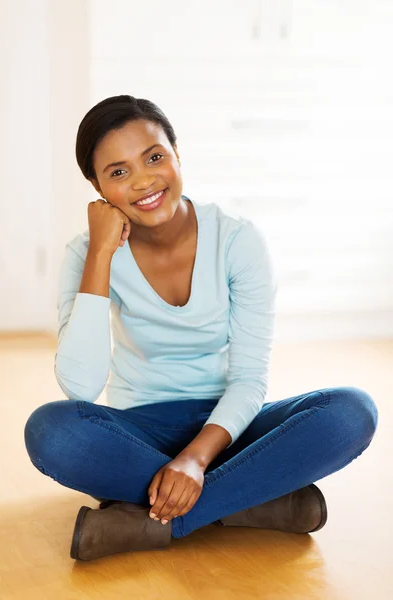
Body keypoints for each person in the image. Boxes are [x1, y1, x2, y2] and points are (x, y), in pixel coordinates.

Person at [24, 95, 379, 562]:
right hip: (140, 429)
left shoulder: (236, 240)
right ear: (97, 188)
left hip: (230, 428)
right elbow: (80, 386)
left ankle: (157, 520)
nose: (145, 181)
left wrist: (194, 460)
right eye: (118, 172)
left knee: (352, 412)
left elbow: (250, 379)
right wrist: (100, 253)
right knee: (51, 431)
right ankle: (252, 501)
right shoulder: (86, 255)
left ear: (176, 153)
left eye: (154, 157)